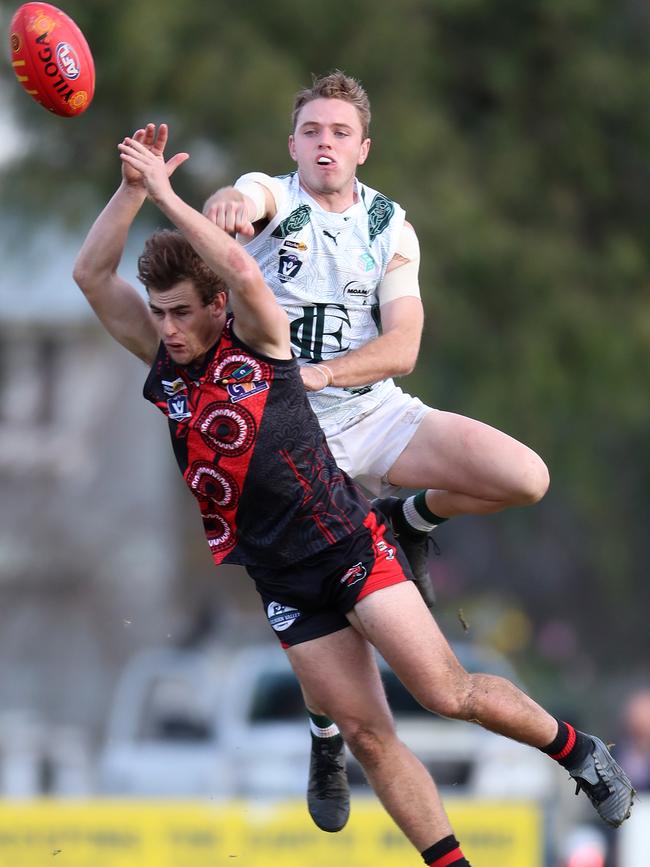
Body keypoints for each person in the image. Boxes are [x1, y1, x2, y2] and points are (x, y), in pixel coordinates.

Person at [73, 124, 634, 866]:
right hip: (282, 578)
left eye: (181, 311)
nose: (168, 327)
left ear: (217, 306)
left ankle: (577, 748)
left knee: (446, 692)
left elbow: (242, 266)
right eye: (160, 312)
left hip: (347, 545)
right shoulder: (162, 362)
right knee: (370, 736)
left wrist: (171, 194)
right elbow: (89, 274)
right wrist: (132, 188)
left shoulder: (261, 340)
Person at [203, 69, 551, 829]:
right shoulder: (270, 198)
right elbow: (241, 199)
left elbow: (404, 347)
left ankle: (411, 517)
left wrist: (322, 372)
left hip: (374, 412)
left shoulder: (391, 224)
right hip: (287, 442)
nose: (324, 142)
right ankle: (326, 735)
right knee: (331, 596)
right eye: (311, 131)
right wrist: (229, 202)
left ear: (364, 147)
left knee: (524, 476)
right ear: (291, 143)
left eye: (339, 132)